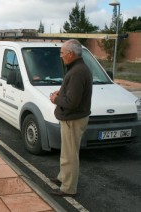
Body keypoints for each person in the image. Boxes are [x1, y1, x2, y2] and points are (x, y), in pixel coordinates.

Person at [49, 39, 93, 197]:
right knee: (67, 152)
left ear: (70, 54)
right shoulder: (78, 69)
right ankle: (63, 178)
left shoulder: (77, 72)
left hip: (73, 118)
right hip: (73, 118)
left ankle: (68, 188)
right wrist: (60, 93)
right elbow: (72, 94)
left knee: (70, 155)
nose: (61, 56)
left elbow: (72, 103)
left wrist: (55, 99)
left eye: (62, 53)